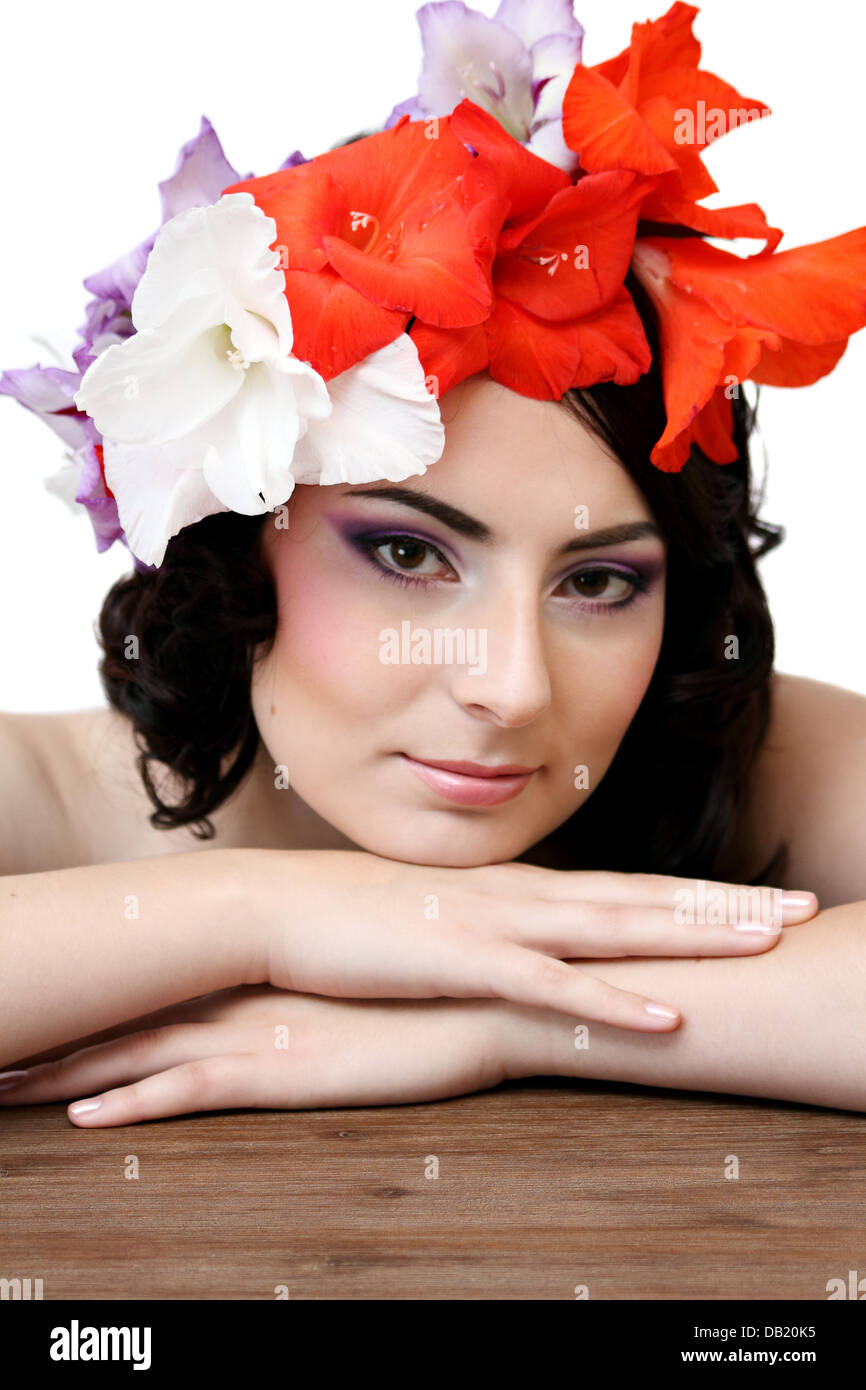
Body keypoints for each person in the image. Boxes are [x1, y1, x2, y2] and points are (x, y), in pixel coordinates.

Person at [1, 0, 865, 1125]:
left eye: (597, 582)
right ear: (228, 543)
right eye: (409, 552)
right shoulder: (46, 798)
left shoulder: (727, 748)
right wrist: (271, 913)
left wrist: (505, 1010)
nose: (509, 688)